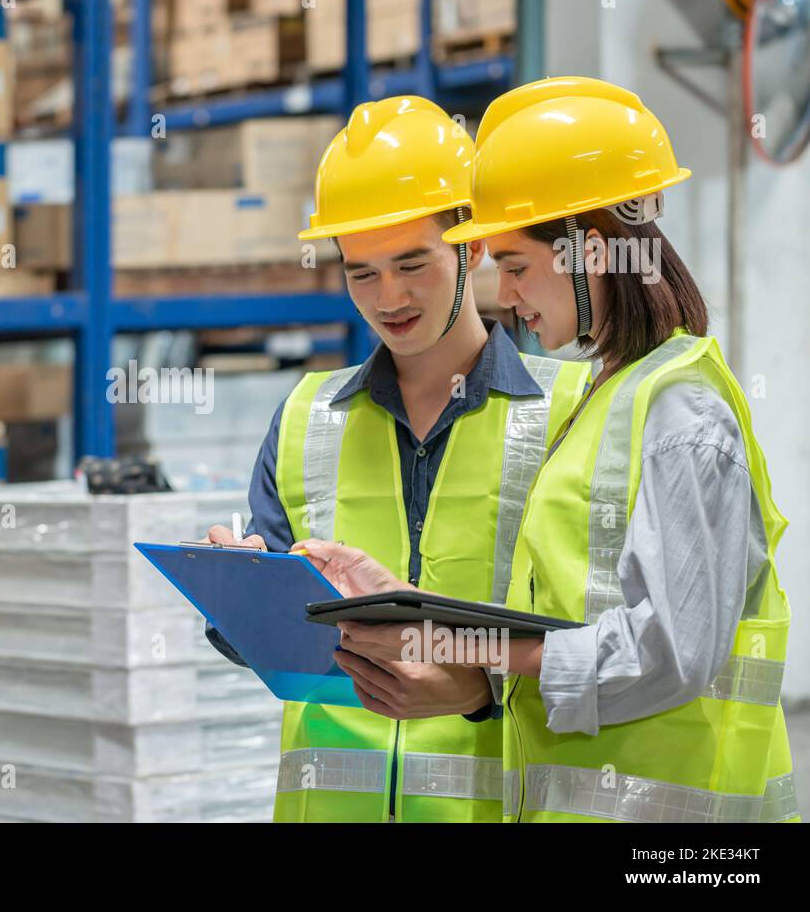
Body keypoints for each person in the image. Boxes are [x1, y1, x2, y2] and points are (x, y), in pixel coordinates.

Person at [305, 76, 799, 823]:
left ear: (590, 250)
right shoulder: (608, 396)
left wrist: (470, 647)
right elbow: (570, 611)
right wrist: (402, 603)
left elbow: (670, 651)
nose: (504, 293)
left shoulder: (682, 413)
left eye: (516, 264)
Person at [203, 97, 590, 822]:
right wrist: (240, 592)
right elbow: (276, 640)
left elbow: (613, 647)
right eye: (362, 273)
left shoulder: (569, 411)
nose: (389, 298)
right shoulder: (305, 418)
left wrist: (479, 690)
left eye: (412, 263)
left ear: (472, 248)